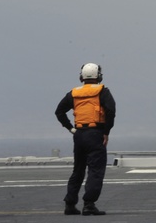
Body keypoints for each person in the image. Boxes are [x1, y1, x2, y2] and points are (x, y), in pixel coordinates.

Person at [54, 63, 116, 216]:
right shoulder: (103, 91)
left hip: (79, 134)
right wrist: (106, 132)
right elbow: (111, 111)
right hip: (96, 133)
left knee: (78, 170)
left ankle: (70, 204)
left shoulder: (74, 93)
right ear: (98, 76)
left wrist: (71, 128)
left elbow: (59, 111)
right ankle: (89, 204)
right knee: (95, 170)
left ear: (81, 76)